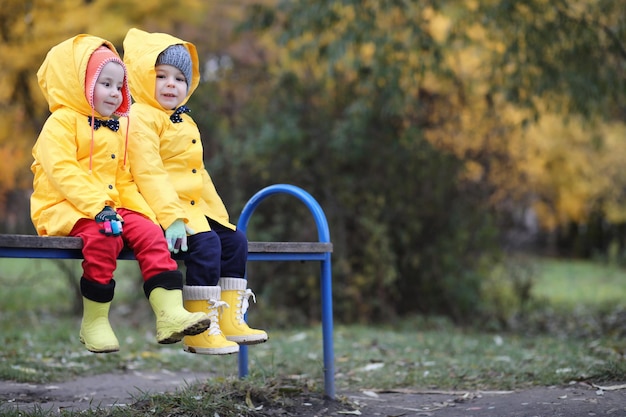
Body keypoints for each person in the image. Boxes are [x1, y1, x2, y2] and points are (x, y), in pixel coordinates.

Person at [30, 34, 211, 354]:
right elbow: (63, 174)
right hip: (66, 206)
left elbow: (124, 180)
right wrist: (100, 208)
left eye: (118, 86)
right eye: (105, 84)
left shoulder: (118, 126)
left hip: (112, 205)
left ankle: (169, 313)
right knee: (105, 238)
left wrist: (149, 216)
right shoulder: (59, 124)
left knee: (150, 233)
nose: (115, 93)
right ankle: (95, 320)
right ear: (79, 84)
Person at [122, 28, 268, 355]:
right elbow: (149, 172)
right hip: (157, 209)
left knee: (234, 241)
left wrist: (218, 216)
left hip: (191, 208)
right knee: (205, 245)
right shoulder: (141, 117)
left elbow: (198, 173)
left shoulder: (184, 122)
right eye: (161, 76)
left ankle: (228, 319)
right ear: (143, 78)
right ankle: (200, 327)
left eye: (179, 78)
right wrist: (171, 219)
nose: (171, 84)